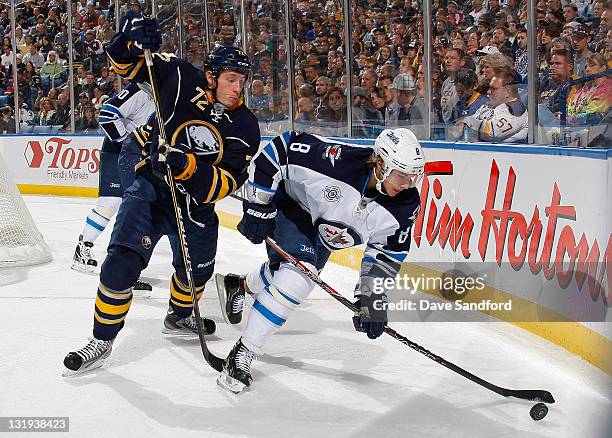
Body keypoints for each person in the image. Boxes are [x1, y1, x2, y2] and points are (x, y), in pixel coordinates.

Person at [63, 11, 260, 375]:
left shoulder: (246, 125)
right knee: (119, 264)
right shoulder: (180, 75)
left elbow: (228, 181)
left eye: (242, 80)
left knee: (196, 274)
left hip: (195, 206)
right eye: (231, 79)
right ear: (212, 76)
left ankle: (179, 316)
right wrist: (129, 40)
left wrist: (189, 169)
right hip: (151, 189)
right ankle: (101, 340)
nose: (237, 88)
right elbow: (124, 64)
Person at [215, 128, 424, 393]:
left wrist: (372, 300)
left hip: (326, 230)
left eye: (413, 176)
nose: (407, 184)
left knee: (289, 272)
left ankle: (241, 286)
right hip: (293, 207)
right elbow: (279, 150)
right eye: (402, 175)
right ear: (380, 166)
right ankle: (242, 354)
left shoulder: (405, 205)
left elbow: (386, 253)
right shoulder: (335, 162)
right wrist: (259, 208)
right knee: (297, 279)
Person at [71, 81, 154, 286]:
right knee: (115, 203)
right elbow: (108, 113)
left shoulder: (165, 93)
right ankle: (90, 250)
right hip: (119, 152)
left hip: (139, 154)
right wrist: (127, 141)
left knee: (132, 206)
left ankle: (123, 265)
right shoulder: (140, 90)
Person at [463, 70, 528, 143]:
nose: (488, 92)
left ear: (508, 91)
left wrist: (468, 122)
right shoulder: (488, 106)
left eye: (493, 89)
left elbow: (492, 132)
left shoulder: (516, 109)